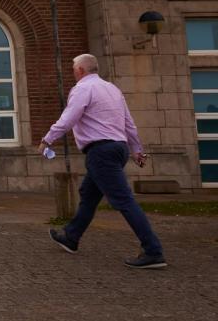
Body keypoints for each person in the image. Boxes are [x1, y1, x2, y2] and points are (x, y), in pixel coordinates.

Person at [40, 53, 166, 269]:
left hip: (100, 151)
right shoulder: (112, 89)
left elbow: (69, 117)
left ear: (80, 70)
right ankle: (71, 236)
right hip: (118, 148)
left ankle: (153, 251)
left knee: (123, 200)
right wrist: (136, 150)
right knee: (88, 195)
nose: (73, 73)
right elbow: (129, 123)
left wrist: (48, 139)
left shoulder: (82, 89)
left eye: (73, 70)